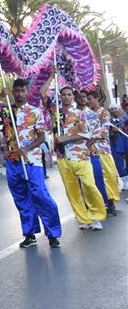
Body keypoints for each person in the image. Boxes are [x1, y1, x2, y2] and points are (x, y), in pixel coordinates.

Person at [0, 78, 62, 248]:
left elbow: (42, 137)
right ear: (12, 91)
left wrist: (26, 149)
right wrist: (0, 96)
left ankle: (53, 234)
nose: (19, 94)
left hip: (31, 160)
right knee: (21, 198)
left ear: (27, 92)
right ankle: (30, 234)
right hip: (12, 161)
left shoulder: (35, 111)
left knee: (40, 195)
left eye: (22, 90)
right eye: (16, 90)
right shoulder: (5, 110)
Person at [54, 86, 106, 231]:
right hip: (62, 157)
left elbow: (87, 134)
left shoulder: (79, 113)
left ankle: (96, 216)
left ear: (73, 97)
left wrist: (66, 138)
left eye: (69, 94)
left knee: (89, 186)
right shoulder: (55, 114)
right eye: (63, 94)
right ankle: (83, 218)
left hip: (80, 155)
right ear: (60, 96)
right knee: (72, 190)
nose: (66, 97)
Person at [86, 89, 120, 216]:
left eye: (90, 99)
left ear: (97, 99)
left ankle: (111, 202)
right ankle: (99, 203)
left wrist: (91, 137)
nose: (88, 101)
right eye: (86, 99)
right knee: (95, 177)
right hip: (89, 150)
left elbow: (104, 130)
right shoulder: (86, 113)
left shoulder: (104, 113)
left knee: (108, 175)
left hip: (102, 148)